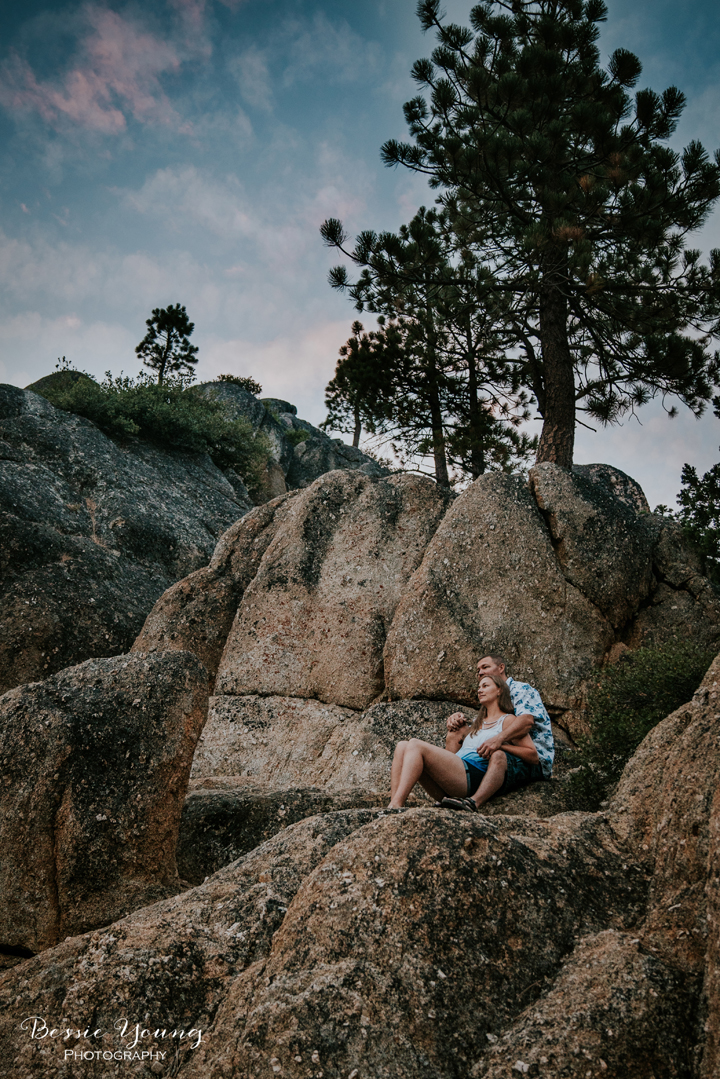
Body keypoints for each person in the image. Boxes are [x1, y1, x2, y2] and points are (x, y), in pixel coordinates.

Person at [387, 674, 539, 811]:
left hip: (472, 778)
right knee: (402, 746)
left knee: (414, 744)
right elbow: (451, 751)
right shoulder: (476, 723)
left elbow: (533, 756)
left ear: (499, 690)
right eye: (479, 687)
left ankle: (397, 803)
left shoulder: (507, 720)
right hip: (454, 778)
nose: (480, 690)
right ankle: (393, 806)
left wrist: (502, 745)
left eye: (485, 686)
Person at [442, 653, 554, 810]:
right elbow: (486, 726)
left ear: (501, 668)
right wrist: (456, 721)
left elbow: (526, 721)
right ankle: (450, 783)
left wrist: (498, 740)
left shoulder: (520, 689)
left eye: (485, 667)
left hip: (531, 758)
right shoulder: (489, 696)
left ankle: (473, 802)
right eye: (478, 670)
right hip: (496, 753)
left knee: (498, 754)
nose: (480, 672)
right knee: (457, 732)